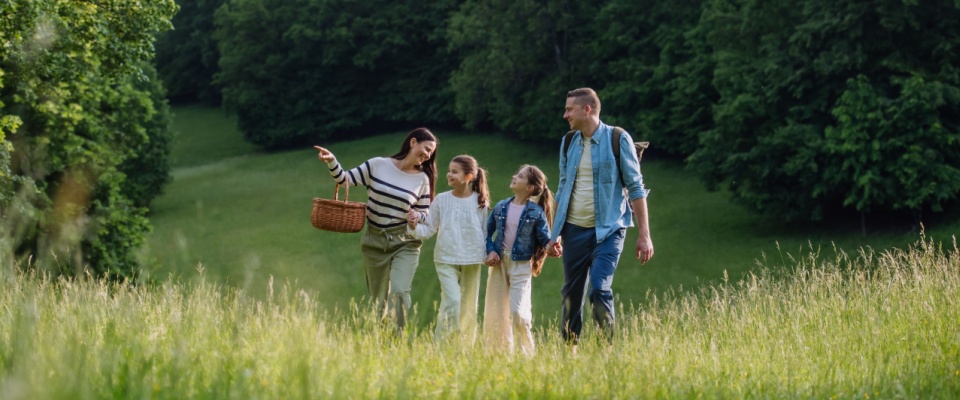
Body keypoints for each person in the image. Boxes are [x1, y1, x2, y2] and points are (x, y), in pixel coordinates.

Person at [547, 87, 654, 349]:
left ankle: (605, 350)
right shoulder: (569, 142)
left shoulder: (618, 138)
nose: (565, 115)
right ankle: (570, 351)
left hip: (609, 231)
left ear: (588, 109)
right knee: (571, 296)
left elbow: (636, 188)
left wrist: (644, 235)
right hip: (573, 230)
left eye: (569, 109)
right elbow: (562, 188)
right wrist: (554, 232)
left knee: (599, 289)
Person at [314, 128, 438, 332]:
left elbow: (426, 210)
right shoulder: (377, 165)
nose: (427, 155)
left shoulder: (422, 179)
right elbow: (345, 180)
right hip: (374, 240)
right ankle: (381, 342)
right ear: (413, 142)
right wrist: (331, 161)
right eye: (426, 149)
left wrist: (418, 216)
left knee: (399, 291)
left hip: (404, 241)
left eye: (431, 153)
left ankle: (398, 341)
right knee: (378, 301)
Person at [406, 155, 490, 343]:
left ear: (468, 176)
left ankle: (465, 349)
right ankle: (442, 347)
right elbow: (428, 229)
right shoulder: (441, 200)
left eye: (454, 171)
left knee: (469, 306)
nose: (449, 174)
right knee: (452, 301)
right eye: (449, 170)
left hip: (472, 259)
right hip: (445, 259)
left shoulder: (480, 202)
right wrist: (412, 226)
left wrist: (488, 254)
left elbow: (485, 233)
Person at [483, 164, 554, 355]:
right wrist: (490, 251)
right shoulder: (501, 207)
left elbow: (545, 239)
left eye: (521, 176)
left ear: (530, 187)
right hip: (499, 264)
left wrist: (552, 247)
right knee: (497, 313)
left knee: (518, 314)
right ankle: (500, 355)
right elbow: (487, 232)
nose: (515, 176)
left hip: (521, 265)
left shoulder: (535, 213)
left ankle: (528, 354)